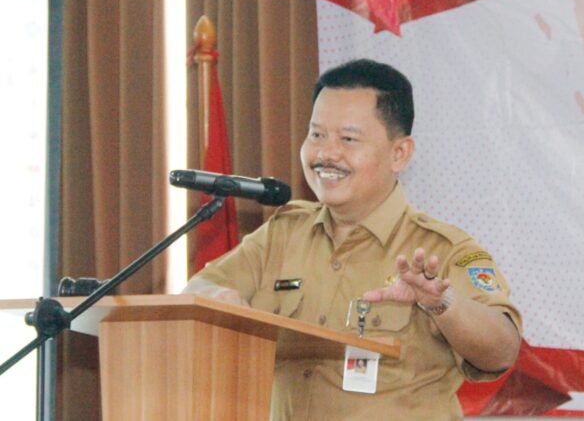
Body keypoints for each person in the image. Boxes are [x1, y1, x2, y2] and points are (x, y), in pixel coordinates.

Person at [183, 58, 522, 420]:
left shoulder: (440, 250)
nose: (326, 154)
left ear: (399, 154)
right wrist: (217, 298)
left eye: (348, 139)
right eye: (316, 135)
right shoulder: (282, 234)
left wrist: (443, 304)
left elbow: (502, 350)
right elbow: (196, 292)